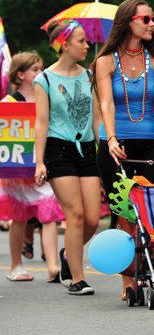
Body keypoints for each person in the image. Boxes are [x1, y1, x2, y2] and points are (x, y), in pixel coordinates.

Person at [91, 0, 154, 301]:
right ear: (128, 21)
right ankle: (128, 278)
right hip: (117, 143)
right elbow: (106, 103)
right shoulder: (105, 61)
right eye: (146, 19)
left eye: (153, 19)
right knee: (124, 211)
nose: (152, 24)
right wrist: (113, 139)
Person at [33, 20, 101, 295]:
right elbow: (41, 122)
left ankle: (66, 256)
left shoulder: (89, 76)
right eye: (81, 41)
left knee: (93, 219)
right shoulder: (44, 79)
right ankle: (77, 278)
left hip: (87, 149)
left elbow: (96, 118)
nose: (87, 45)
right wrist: (39, 161)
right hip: (58, 149)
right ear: (64, 44)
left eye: (86, 40)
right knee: (75, 215)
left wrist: (105, 148)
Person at [1, 51, 64, 283]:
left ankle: (53, 266)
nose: (41, 72)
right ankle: (16, 265)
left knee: (49, 215)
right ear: (21, 75)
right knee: (19, 218)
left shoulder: (45, 99)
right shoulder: (7, 104)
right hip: (16, 172)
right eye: (35, 69)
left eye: (41, 68)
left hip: (42, 166)